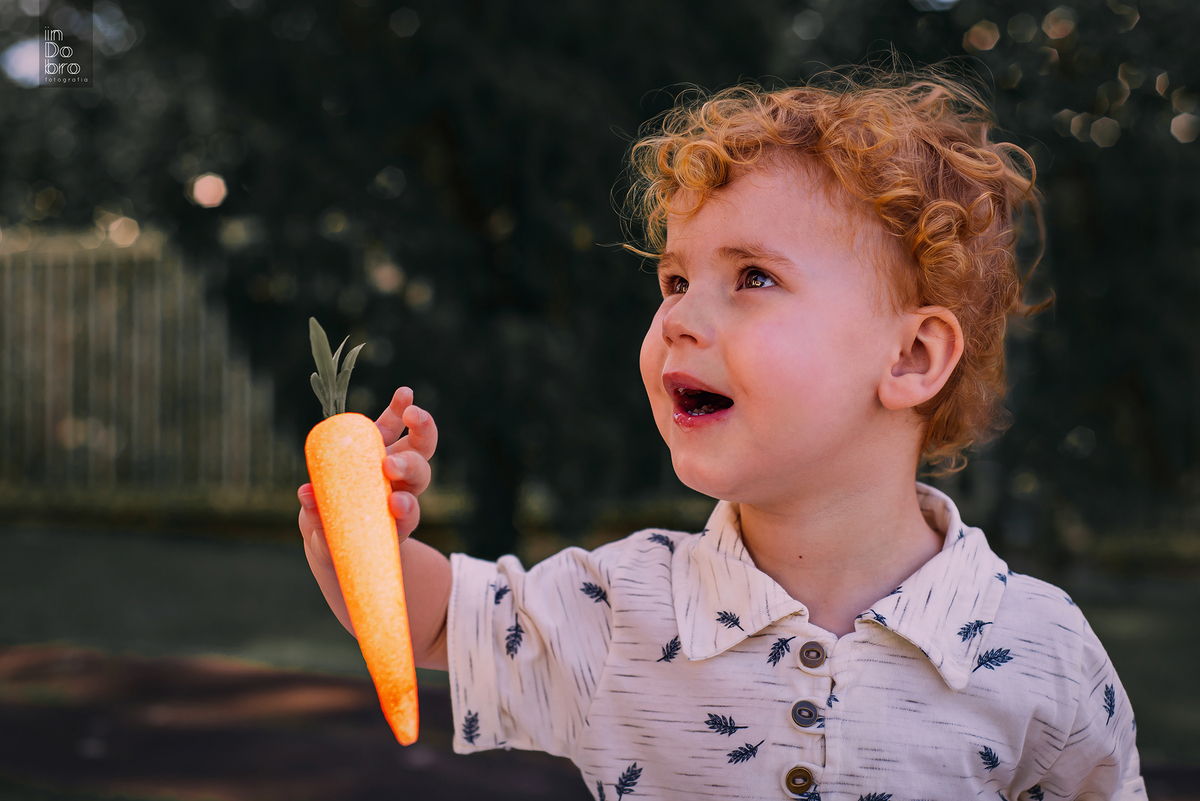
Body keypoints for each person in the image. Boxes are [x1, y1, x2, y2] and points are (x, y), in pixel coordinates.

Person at [297, 66, 1146, 800]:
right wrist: (360, 534)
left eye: (752, 276)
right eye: (673, 278)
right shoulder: (617, 609)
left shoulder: (1041, 650)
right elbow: (433, 620)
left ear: (913, 355)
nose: (678, 318)